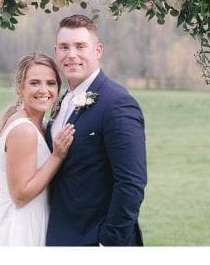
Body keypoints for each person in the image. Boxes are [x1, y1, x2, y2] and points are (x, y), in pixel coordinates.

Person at [45, 14, 147, 246]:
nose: (71, 54)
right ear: (56, 51)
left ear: (98, 50)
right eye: (64, 47)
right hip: (60, 234)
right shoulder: (61, 101)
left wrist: (108, 243)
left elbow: (131, 182)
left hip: (96, 239)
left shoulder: (117, 103)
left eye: (80, 46)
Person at [0, 53, 75, 246]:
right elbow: (21, 196)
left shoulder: (43, 125)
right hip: (20, 226)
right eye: (34, 83)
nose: (43, 90)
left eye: (50, 83)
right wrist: (57, 156)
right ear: (19, 87)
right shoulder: (24, 130)